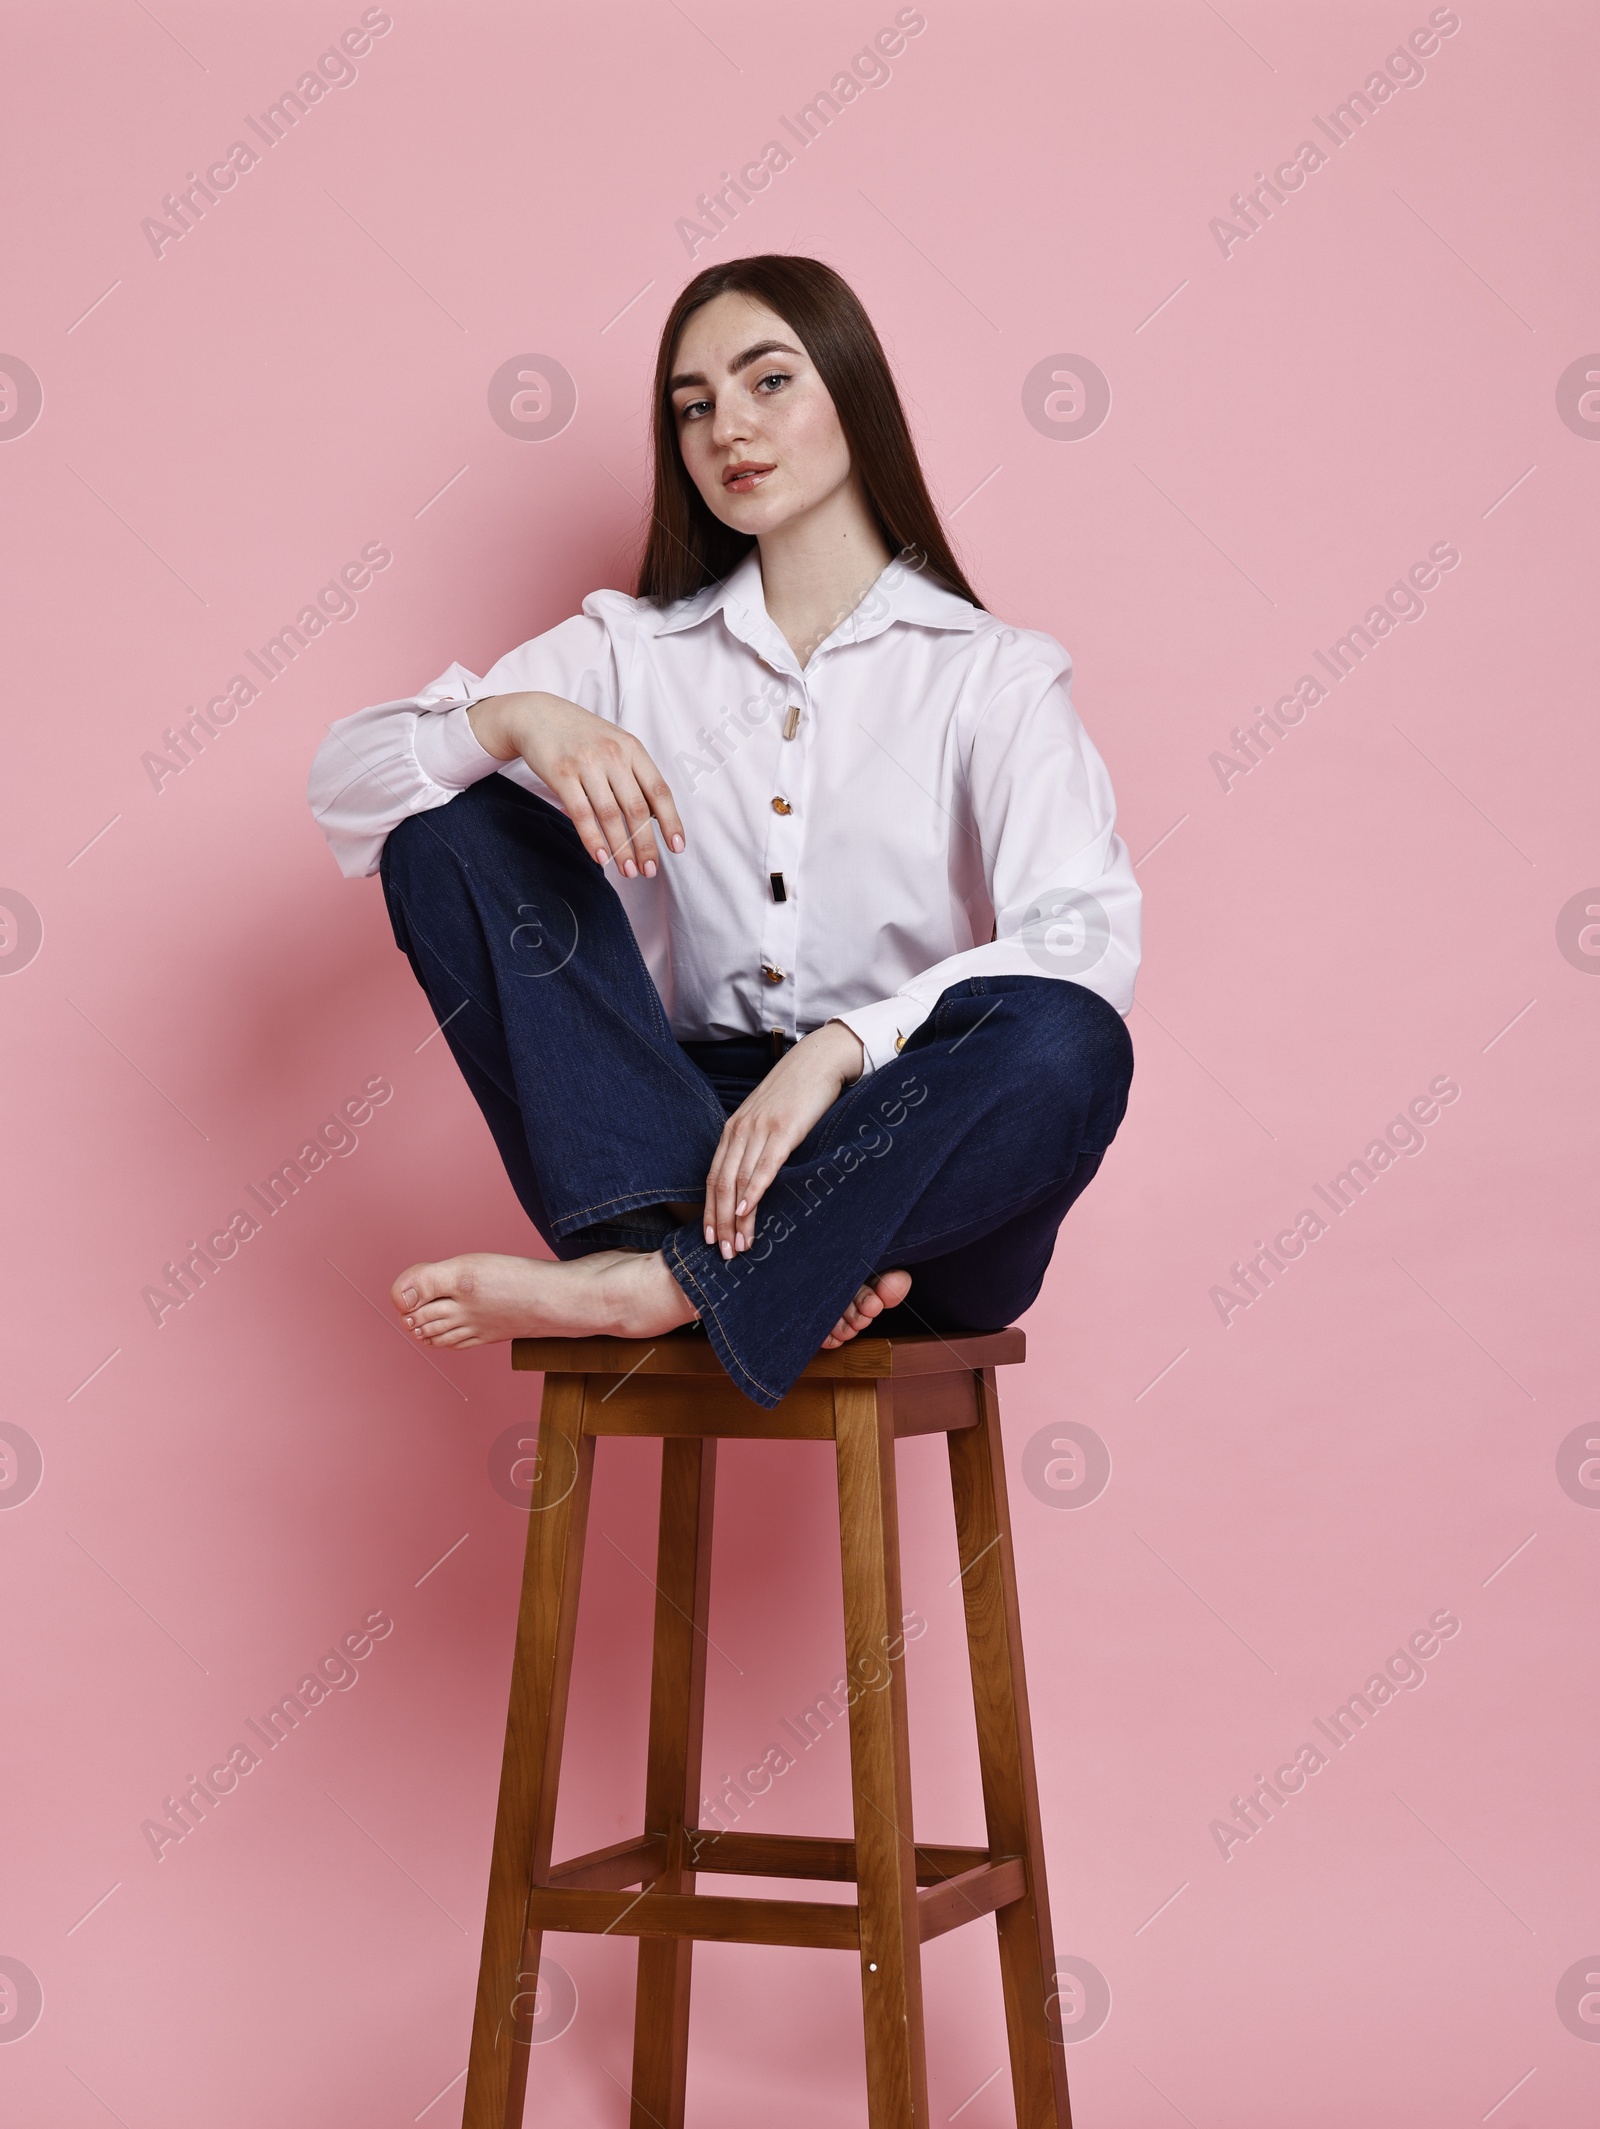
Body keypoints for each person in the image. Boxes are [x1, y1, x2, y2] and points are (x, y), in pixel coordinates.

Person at [308, 255, 1139, 1409]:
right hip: (678, 1157)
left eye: (767, 382)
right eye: (693, 405)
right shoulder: (624, 652)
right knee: (443, 831)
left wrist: (843, 1045)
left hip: (911, 1167)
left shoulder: (989, 677)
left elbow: (1085, 936)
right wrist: (519, 719)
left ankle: (655, 1290)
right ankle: (751, 1268)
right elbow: (345, 789)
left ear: (854, 394)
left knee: (1071, 1039)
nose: (726, 429)